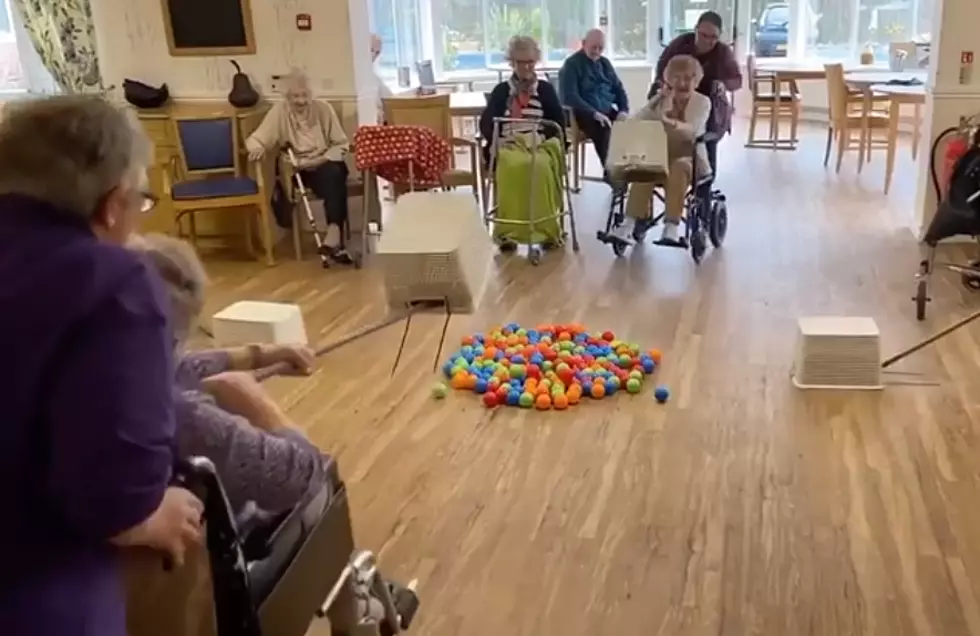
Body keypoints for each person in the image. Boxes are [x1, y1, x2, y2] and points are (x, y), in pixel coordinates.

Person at [0, 96, 203, 636]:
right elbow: (115, 493)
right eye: (142, 200)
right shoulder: (109, 281)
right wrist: (154, 514)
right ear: (113, 204)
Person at [132, 233, 330, 516]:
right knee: (322, 486)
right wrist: (255, 403)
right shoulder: (188, 418)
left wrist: (259, 353)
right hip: (187, 549)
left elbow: (176, 368)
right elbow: (302, 475)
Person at [246, 70, 354, 265]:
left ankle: (333, 232)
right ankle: (336, 239)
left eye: (305, 95)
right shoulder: (279, 112)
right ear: (288, 97)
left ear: (311, 95)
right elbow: (256, 138)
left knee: (335, 173)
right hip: (297, 170)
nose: (300, 101)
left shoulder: (324, 109)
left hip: (323, 162)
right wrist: (256, 148)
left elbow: (341, 144)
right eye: (295, 96)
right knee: (335, 180)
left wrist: (319, 160)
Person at [609, 55, 712, 247]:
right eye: (676, 78)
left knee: (678, 166)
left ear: (696, 81)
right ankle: (627, 226)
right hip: (661, 156)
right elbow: (637, 121)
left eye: (688, 78)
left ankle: (671, 228)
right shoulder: (662, 99)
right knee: (646, 165)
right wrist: (657, 103)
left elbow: (693, 129)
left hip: (691, 158)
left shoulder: (702, 102)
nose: (682, 83)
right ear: (668, 80)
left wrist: (668, 121)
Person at [480, 35, 567, 251]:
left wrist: (543, 137)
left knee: (539, 166)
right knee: (511, 166)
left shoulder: (545, 89)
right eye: (521, 62)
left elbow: (558, 122)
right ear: (512, 63)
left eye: (530, 62)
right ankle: (508, 232)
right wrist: (498, 140)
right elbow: (487, 123)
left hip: (538, 143)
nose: (526, 67)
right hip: (510, 143)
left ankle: (546, 231)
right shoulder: (502, 90)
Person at [654, 10, 742, 174]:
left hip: (710, 106)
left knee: (705, 139)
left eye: (713, 37)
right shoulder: (680, 44)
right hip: (677, 100)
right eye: (703, 35)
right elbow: (661, 68)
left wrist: (723, 84)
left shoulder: (723, 52)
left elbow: (737, 80)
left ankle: (705, 183)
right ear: (695, 30)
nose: (708, 41)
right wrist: (664, 84)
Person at [558, 28, 630, 177]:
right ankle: (612, 175)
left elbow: (618, 89)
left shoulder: (605, 63)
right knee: (604, 129)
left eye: (600, 48)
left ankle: (628, 171)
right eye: (593, 47)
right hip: (583, 114)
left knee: (629, 126)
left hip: (606, 109)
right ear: (584, 44)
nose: (597, 51)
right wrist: (594, 113)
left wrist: (623, 110)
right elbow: (569, 96)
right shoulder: (571, 65)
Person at [371, 33, 393, 123]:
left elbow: (391, 99)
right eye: (372, 50)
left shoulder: (374, 76)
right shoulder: (363, 76)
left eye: (378, 52)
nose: (375, 56)